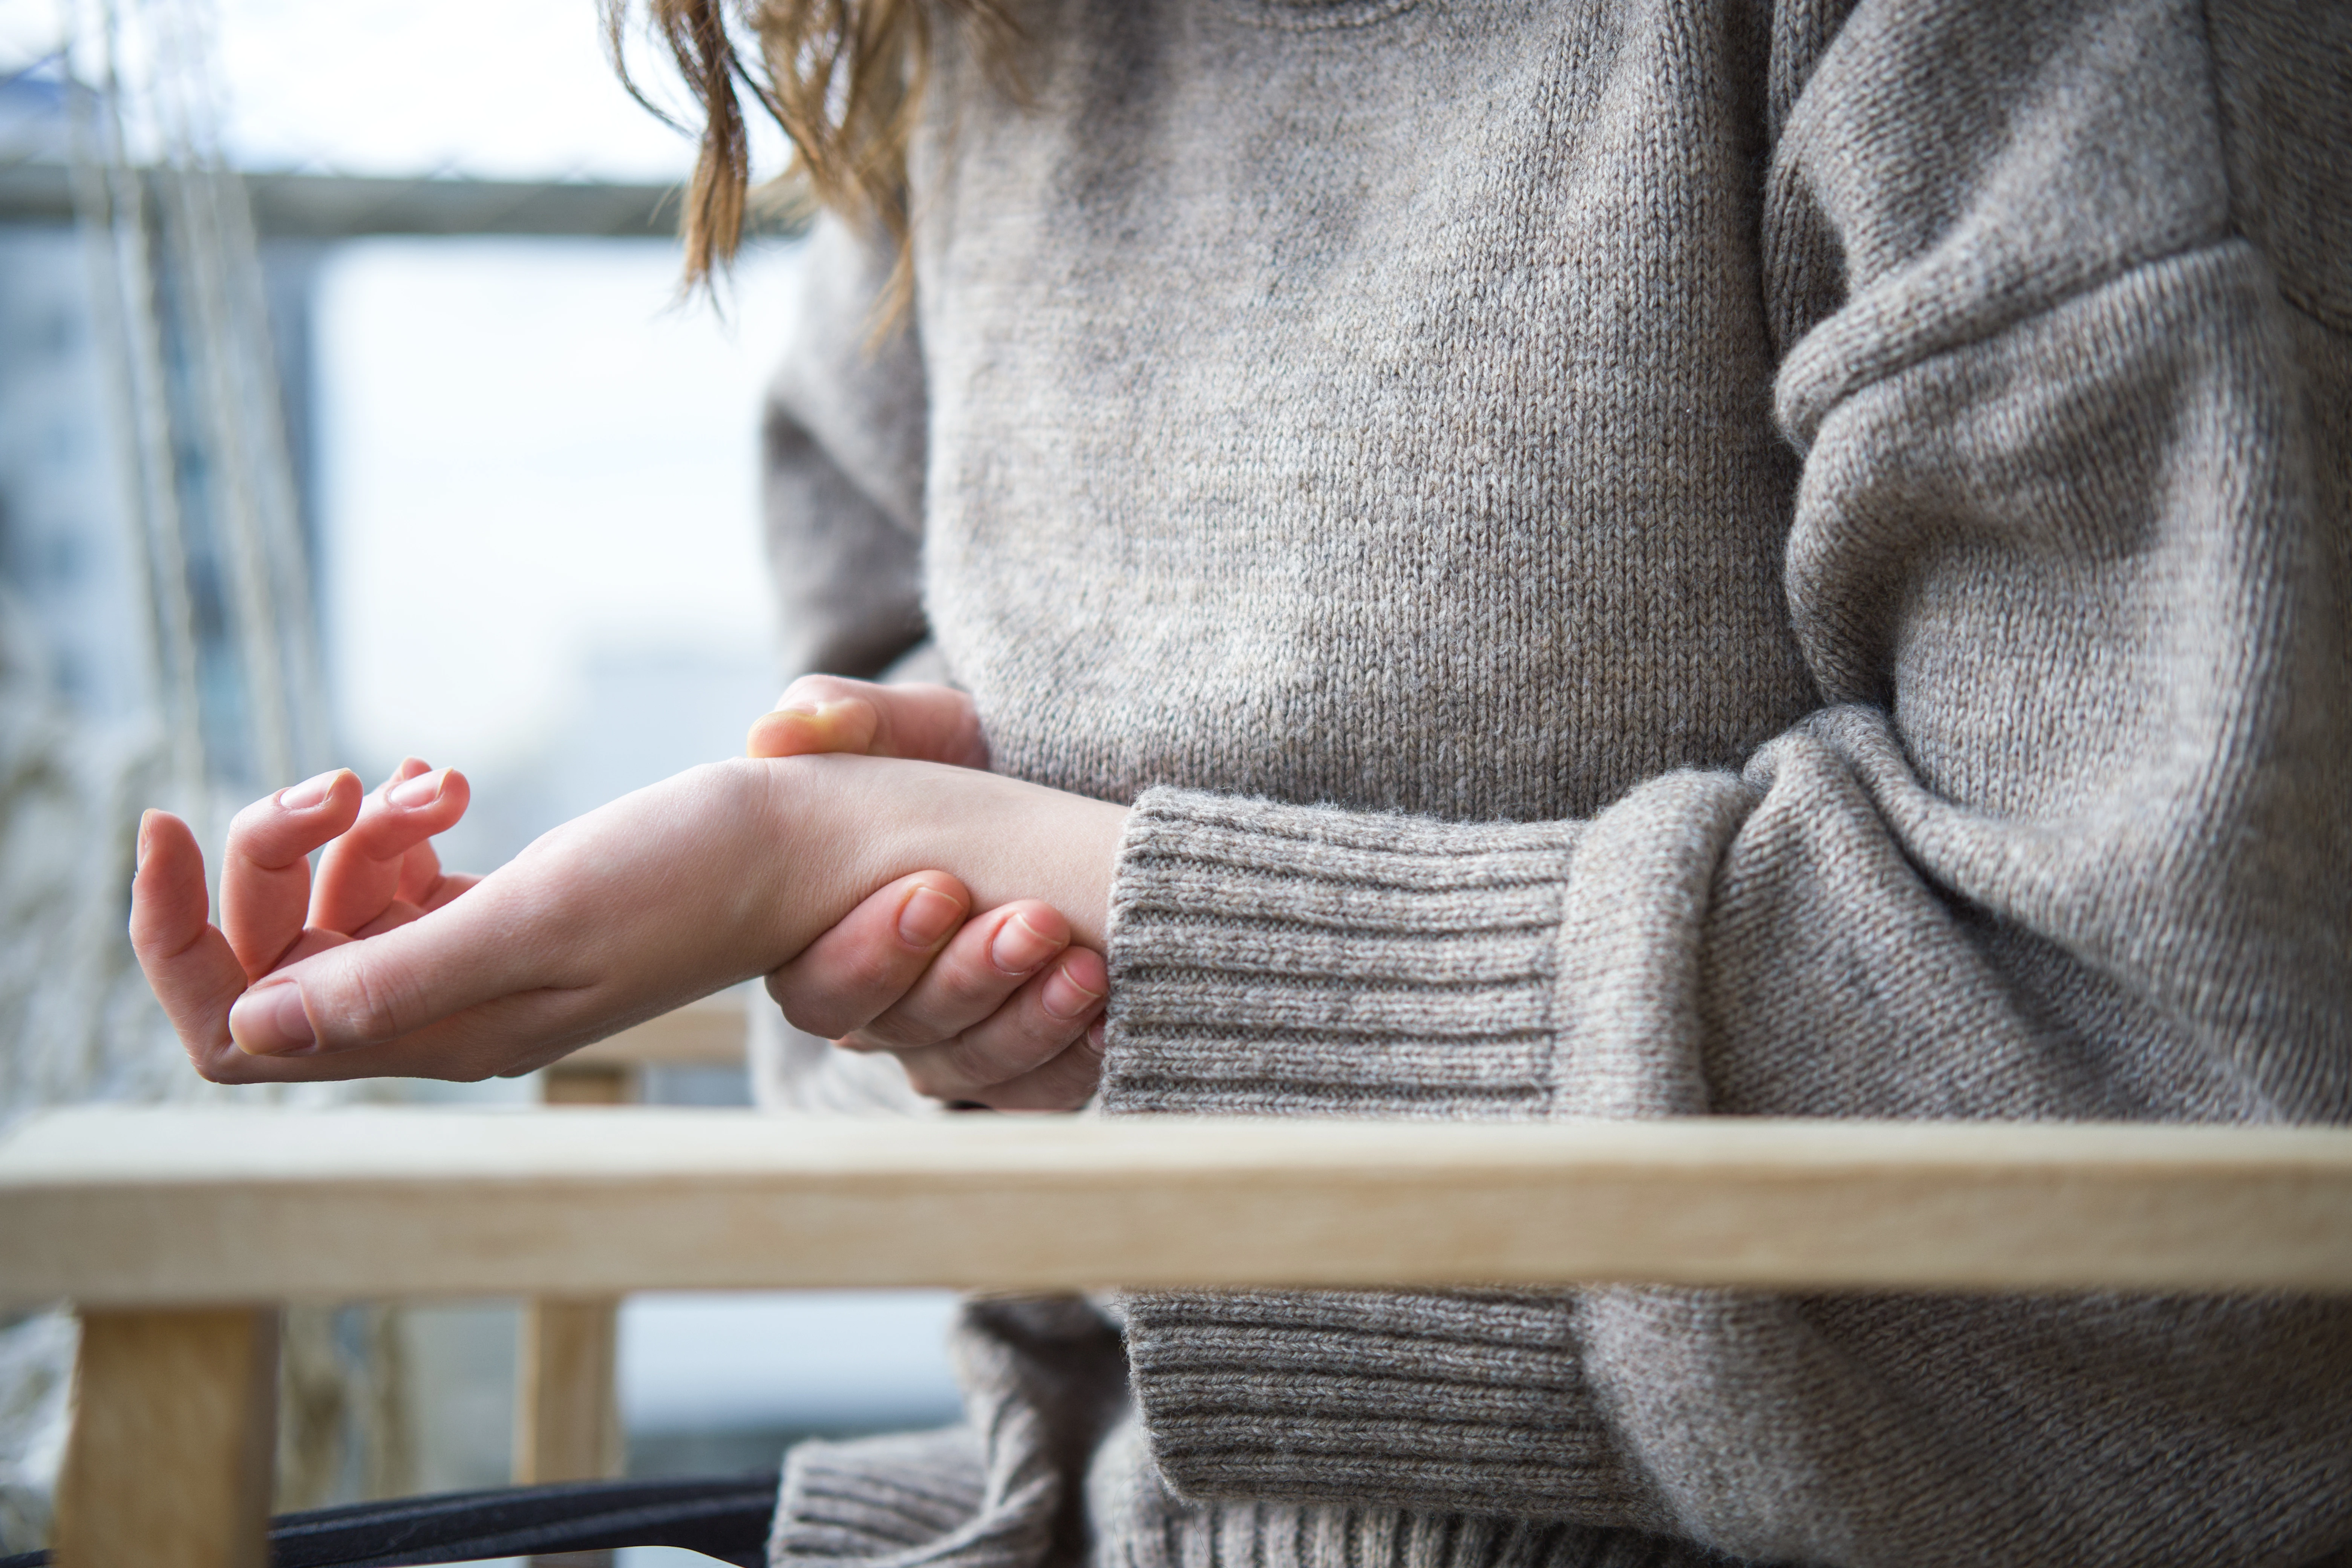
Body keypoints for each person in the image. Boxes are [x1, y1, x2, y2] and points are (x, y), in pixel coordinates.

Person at [130, 0, 2352, 1562]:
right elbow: (878, 768)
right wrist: (890, 948)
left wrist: (1007, 895)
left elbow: (2190, 1155)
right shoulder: (953, 51)